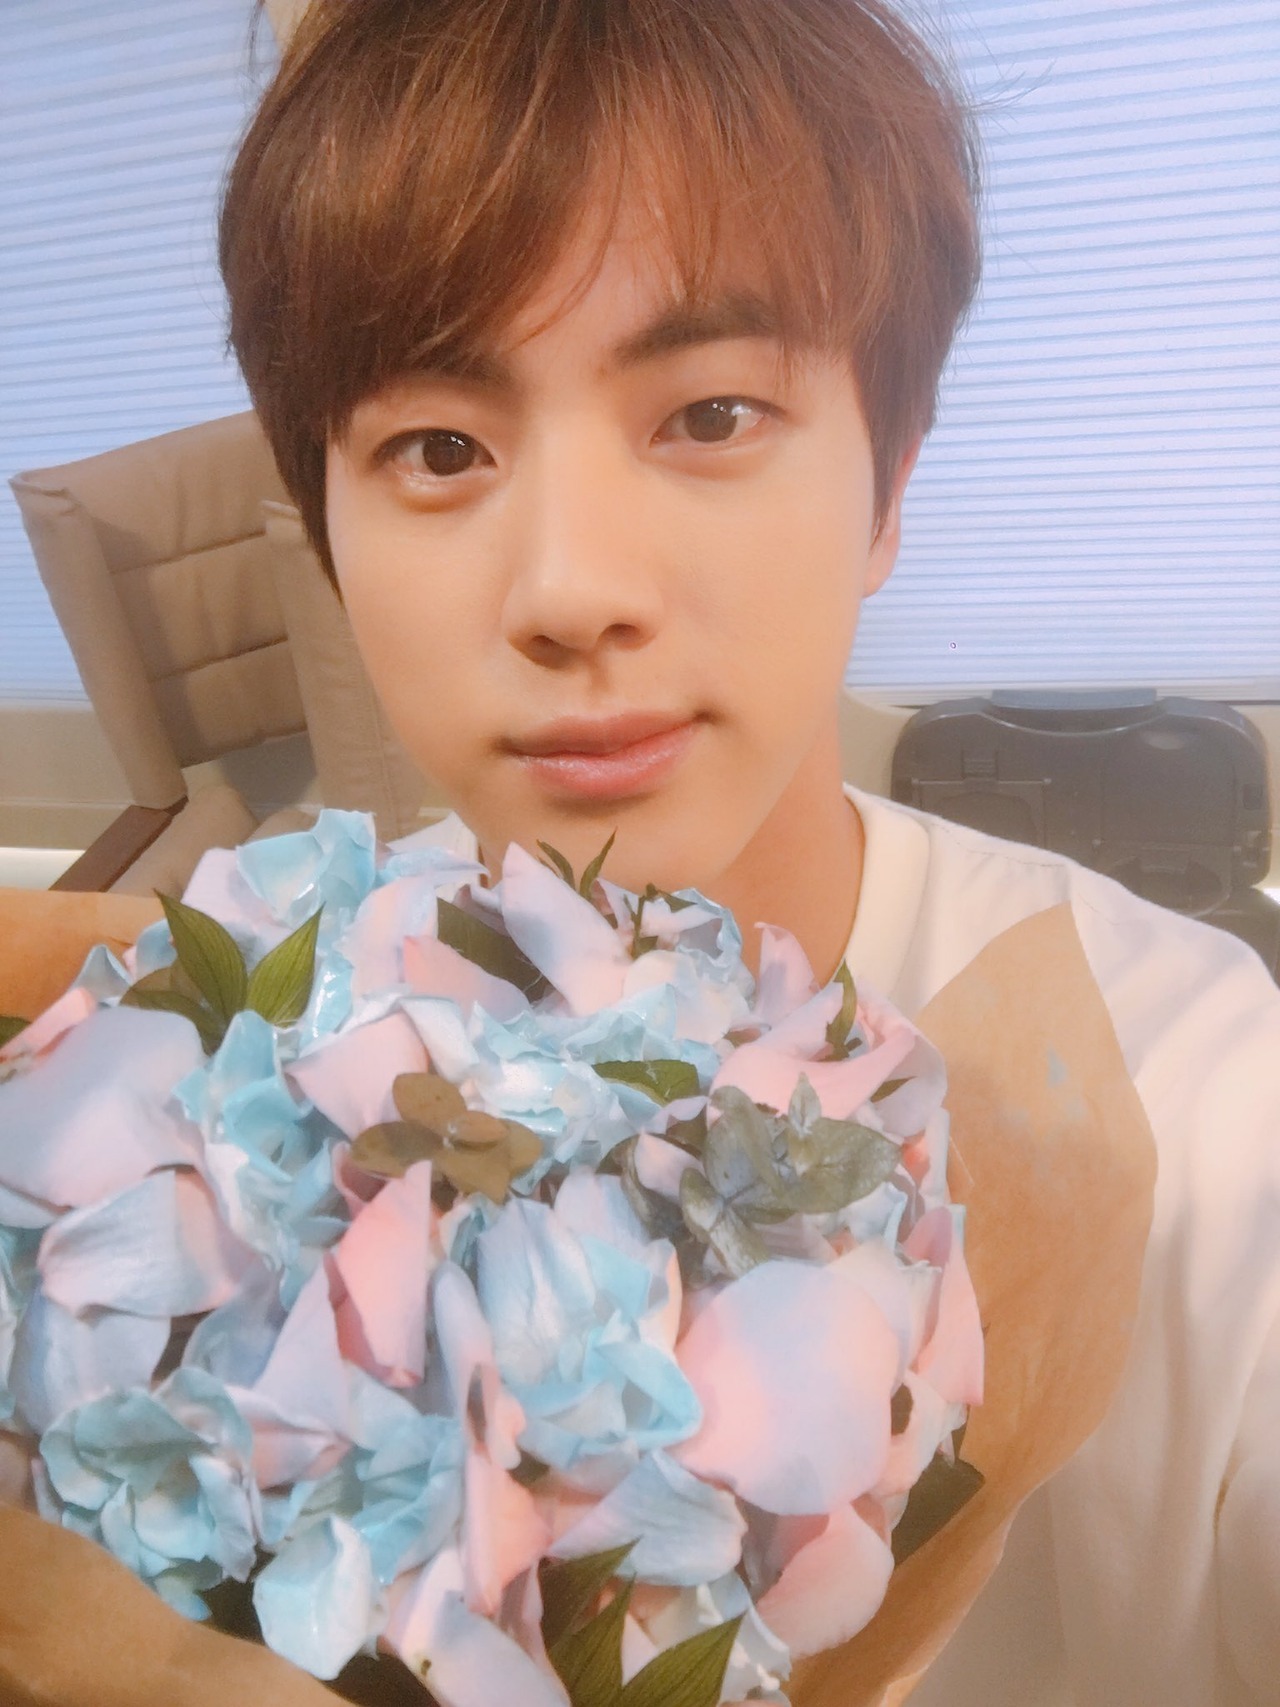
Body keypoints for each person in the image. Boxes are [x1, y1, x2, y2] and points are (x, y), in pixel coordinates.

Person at [218, 1, 1280, 1702]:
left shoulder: (1204, 1111)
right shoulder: (235, 1073)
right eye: (438, 448)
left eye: (710, 416)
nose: (572, 589)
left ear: (889, 489)